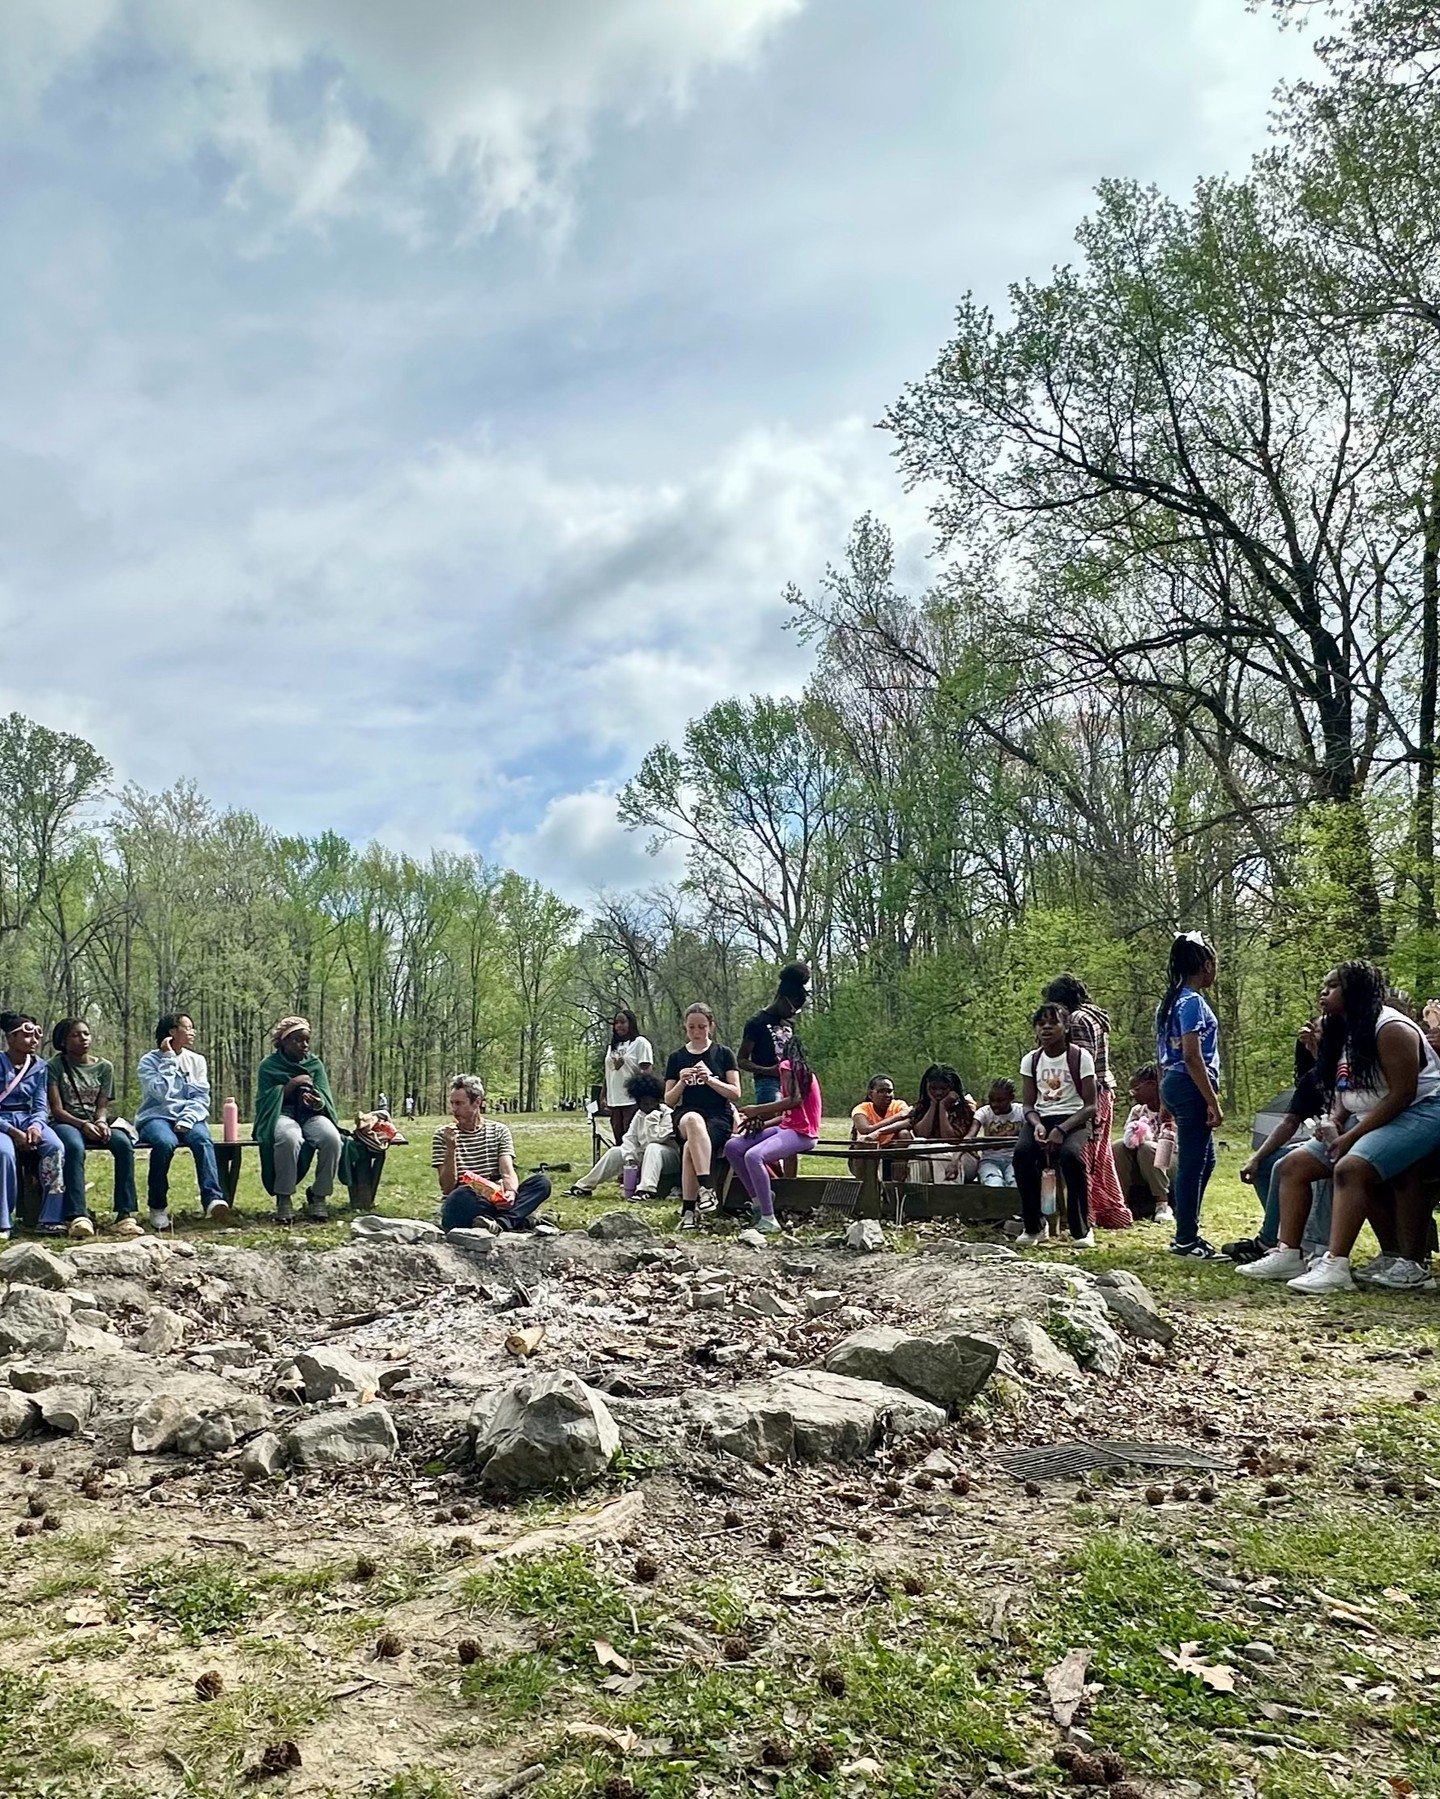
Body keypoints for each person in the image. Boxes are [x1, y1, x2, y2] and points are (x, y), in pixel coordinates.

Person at [1241, 961, 1440, 1295]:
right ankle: (1288, 1252)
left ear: (1357, 991)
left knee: (1351, 1167)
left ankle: (1335, 1265)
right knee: (1292, 1165)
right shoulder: (1342, 1030)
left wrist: (1351, 1136)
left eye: (1332, 986)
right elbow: (1346, 1087)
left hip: (1423, 1110)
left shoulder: (1391, 1029)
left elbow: (1403, 1094)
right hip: (1370, 1114)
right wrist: (1334, 1120)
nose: (1324, 992)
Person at [1155, 932, 1225, 1259]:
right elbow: (1192, 1055)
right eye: (1215, 964)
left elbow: (1160, 1053)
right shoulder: (1192, 1002)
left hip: (1173, 1082)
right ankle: (1186, 1238)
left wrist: (1162, 1097)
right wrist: (1212, 1100)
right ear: (1206, 965)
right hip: (1189, 1082)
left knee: (1205, 1159)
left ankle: (1188, 1224)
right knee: (1194, 1163)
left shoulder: (1169, 1000)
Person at [1045, 976, 1132, 1229]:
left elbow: (1083, 1065)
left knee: (1087, 1155)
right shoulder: (1094, 1016)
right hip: (1103, 1090)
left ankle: (1088, 1215)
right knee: (1101, 1156)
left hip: (1091, 1094)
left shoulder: (1078, 1020)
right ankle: (1112, 1212)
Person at [48, 1018, 140, 1240]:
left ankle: (125, 1214)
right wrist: (83, 1125)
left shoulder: (104, 1067)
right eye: (76, 1035)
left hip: (94, 1121)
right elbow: (57, 1110)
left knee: (123, 1144)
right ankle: (78, 1215)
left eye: (86, 1034)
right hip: (67, 1122)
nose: (83, 1039)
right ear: (63, 1041)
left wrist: (99, 1121)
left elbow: (102, 1107)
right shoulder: (55, 1066)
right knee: (74, 1147)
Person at [1013, 1004, 1097, 1248]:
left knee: (1072, 1157)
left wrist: (1062, 1130)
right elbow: (1028, 1105)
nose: (1046, 1028)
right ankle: (1033, 1226)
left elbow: (1090, 1106)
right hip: (1041, 1118)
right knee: (1022, 1155)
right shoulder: (1031, 1060)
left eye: (1053, 1022)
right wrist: (1037, 1125)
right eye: (1041, 1024)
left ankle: (1081, 1230)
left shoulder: (1080, 1057)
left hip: (1074, 1119)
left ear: (1066, 1026)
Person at [136, 1012, 226, 1228]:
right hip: (156, 1116)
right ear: (172, 1032)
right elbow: (160, 1093)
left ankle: (213, 1199)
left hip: (189, 1116)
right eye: (188, 1027)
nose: (192, 1032)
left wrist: (187, 1119)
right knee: (165, 1142)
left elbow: (200, 1097)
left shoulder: (197, 1061)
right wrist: (168, 1060)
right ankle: (157, 1206)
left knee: (202, 1140)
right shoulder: (149, 1061)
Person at [254, 1017, 344, 1226]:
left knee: (332, 1138)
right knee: (288, 1138)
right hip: (282, 1115)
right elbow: (267, 1100)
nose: (304, 1045)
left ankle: (319, 1195)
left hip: (310, 1116)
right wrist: (292, 1085)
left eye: (306, 1041)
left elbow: (324, 1098)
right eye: (297, 1040)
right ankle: (284, 1198)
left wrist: (316, 1101)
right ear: (283, 1042)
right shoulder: (269, 1066)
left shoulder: (314, 1064)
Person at [725, 1048, 824, 1234]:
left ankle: (769, 1218)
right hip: (787, 1128)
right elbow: (788, 1115)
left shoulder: (789, 1067)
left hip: (803, 1133)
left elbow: (795, 1100)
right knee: (734, 1147)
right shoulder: (795, 1071)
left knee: (754, 1156)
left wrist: (758, 1110)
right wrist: (763, 1124)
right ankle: (758, 1200)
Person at [434, 1074, 550, 1231]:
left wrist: (510, 1192)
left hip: (496, 1194)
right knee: (459, 1197)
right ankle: (519, 1220)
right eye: (452, 1103)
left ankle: (502, 1223)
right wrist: (451, 1148)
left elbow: (507, 1171)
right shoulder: (442, 1135)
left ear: (477, 1103)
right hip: (468, 1198)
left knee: (541, 1183)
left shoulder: (498, 1130)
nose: (454, 1109)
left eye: (460, 1104)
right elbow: (447, 1187)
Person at [663, 1003, 742, 1231]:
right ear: (685, 1028)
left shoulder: (723, 1054)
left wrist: (710, 1079)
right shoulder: (677, 1057)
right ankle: (707, 1188)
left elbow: (735, 1093)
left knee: (690, 1148)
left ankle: (688, 1212)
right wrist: (681, 1082)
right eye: (691, 1028)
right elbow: (668, 1100)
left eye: (701, 1027)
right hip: (687, 1114)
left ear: (711, 1027)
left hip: (718, 1115)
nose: (697, 1033)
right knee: (692, 1120)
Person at [0, 1013, 66, 1240]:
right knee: (4, 1153)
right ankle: (3, 1221)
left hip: (27, 1117)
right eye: (27, 1036)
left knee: (55, 1146)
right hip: (2, 1121)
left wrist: (36, 1126)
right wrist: (11, 1131)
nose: (34, 1040)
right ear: (11, 1038)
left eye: (36, 1035)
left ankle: (50, 1218)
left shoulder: (40, 1066)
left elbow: (40, 1104)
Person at [567, 1072, 678, 1199]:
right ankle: (584, 1186)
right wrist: (630, 1157)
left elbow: (656, 1139)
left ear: (657, 1101)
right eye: (643, 1104)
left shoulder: (667, 1114)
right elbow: (630, 1138)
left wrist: (652, 1119)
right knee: (616, 1151)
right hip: (643, 1155)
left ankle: (646, 1190)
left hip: (667, 1158)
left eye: (650, 1103)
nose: (647, 1107)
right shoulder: (640, 1115)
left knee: (652, 1148)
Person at [1109, 1066, 1175, 1223]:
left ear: (1152, 1086)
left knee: (1148, 1148)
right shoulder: (1137, 1111)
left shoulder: (1172, 1109)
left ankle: (1162, 1203)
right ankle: (1121, 1202)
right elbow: (1128, 1142)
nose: (1133, 1094)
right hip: (1142, 1164)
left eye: (1136, 1089)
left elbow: (1172, 1145)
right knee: (1118, 1146)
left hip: (1170, 1163)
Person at [898, 1064, 975, 1182]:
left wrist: (943, 1107)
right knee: (917, 1147)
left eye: (943, 1089)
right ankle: (918, 1194)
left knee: (939, 1151)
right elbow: (922, 1134)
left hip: (961, 1156)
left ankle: (944, 1195)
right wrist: (934, 1105)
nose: (938, 1093)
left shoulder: (964, 1109)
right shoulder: (922, 1107)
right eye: (933, 1089)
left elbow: (949, 1138)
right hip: (930, 1155)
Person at [602, 1010, 654, 1144]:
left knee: (631, 1138)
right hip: (614, 1100)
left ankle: (635, 1164)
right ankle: (622, 1164)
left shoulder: (640, 1043)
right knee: (618, 1137)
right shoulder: (612, 1047)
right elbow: (609, 1072)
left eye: (622, 1022)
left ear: (631, 1023)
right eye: (616, 1023)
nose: (619, 1026)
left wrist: (643, 1097)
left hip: (632, 1100)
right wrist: (604, 1095)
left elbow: (646, 1071)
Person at [850, 1074, 912, 1183]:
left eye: (889, 1091)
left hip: (892, 1151)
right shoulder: (862, 1108)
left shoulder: (899, 1105)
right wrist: (898, 1116)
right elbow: (865, 1130)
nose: (886, 1095)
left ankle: (898, 1185)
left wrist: (879, 1132)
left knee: (905, 1134)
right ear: (870, 1094)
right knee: (864, 1142)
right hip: (868, 1152)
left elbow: (909, 1122)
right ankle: (866, 1184)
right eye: (881, 1091)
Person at [738, 995, 799, 1106]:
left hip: (791, 1081)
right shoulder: (757, 1022)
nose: (793, 1012)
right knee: (769, 1118)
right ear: (781, 1000)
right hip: (767, 1082)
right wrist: (767, 1070)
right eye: (793, 1007)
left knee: (791, 1120)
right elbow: (741, 1060)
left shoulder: (789, 1022)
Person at [972, 1078, 1022, 1187]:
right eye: (991, 1100)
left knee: (1015, 1182)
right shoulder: (984, 1112)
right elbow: (970, 1135)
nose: (994, 1104)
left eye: (1000, 1100)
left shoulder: (1021, 1112)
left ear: (1011, 1098)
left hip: (1015, 1160)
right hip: (990, 1160)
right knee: (994, 1183)